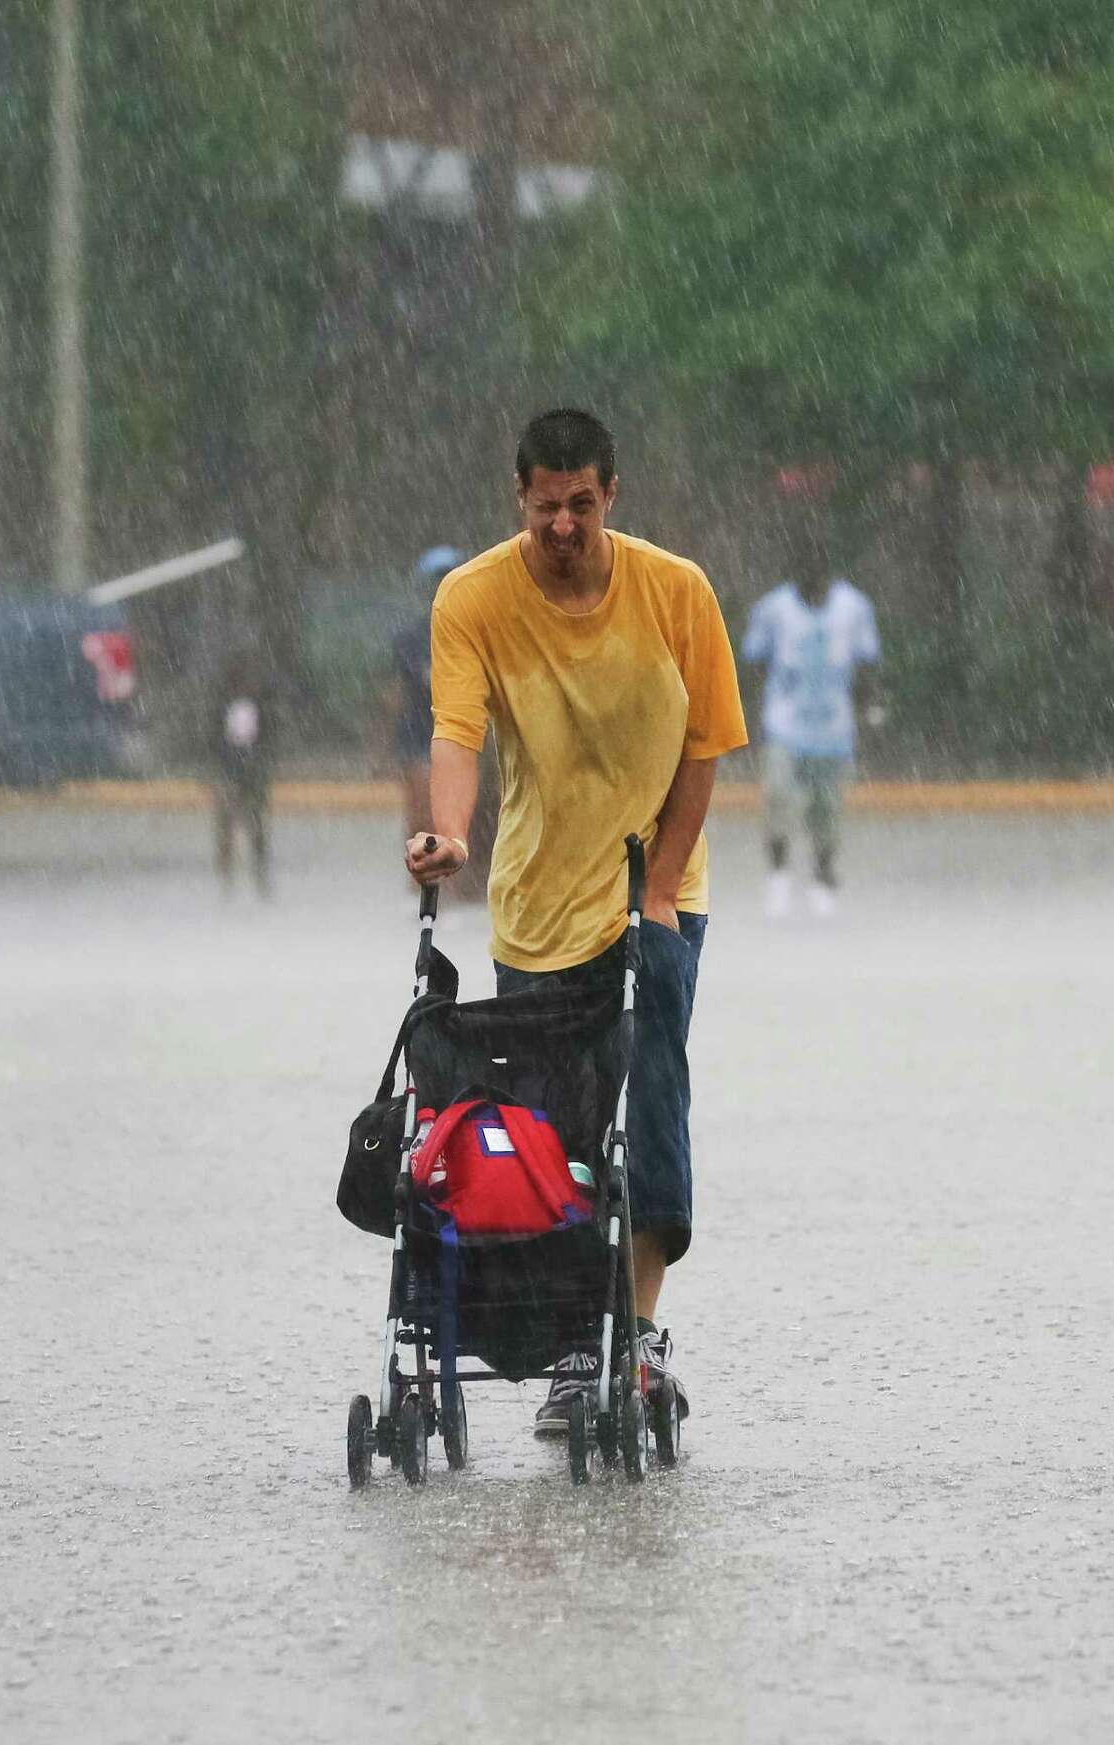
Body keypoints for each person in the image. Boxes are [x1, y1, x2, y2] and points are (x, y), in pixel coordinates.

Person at [405, 407, 747, 1435]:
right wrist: (450, 834)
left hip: (657, 894)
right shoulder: (472, 597)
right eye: (546, 506)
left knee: (644, 1110)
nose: (564, 525)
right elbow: (457, 731)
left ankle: (634, 1331)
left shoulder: (675, 589)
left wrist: (660, 890)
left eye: (583, 505)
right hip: (534, 906)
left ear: (612, 496)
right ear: (521, 499)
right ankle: (569, 1344)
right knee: (547, 1139)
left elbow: (706, 746)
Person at [742, 520, 883, 919]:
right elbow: (754, 662)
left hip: (834, 730)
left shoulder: (854, 609)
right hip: (785, 725)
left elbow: (867, 664)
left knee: (827, 809)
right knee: (778, 799)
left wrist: (871, 710)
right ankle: (779, 876)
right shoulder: (773, 610)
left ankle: (823, 878)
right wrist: (750, 719)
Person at [391, 546, 497, 904]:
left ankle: (455, 889)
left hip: (465, 737)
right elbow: (398, 694)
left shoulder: (476, 635)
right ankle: (421, 890)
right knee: (422, 814)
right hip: (420, 736)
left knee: (460, 818)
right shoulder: (410, 639)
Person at [210, 649, 276, 896]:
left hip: (252, 772)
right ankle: (225, 877)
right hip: (231, 770)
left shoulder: (260, 706)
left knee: (256, 825)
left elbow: (266, 739)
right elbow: (215, 741)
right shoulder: (222, 707)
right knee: (226, 824)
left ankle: (259, 874)